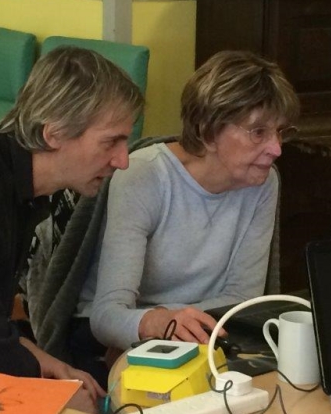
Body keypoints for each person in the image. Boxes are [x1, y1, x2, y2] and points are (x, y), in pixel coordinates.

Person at [0, 46, 144, 414]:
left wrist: (35, 356)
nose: (123, 160)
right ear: (54, 134)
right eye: (111, 141)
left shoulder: (19, 187)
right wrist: (39, 381)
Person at [80, 50, 300, 356]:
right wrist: (158, 322)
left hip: (202, 335)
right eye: (258, 132)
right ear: (208, 131)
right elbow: (107, 316)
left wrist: (181, 322)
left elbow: (242, 301)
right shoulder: (143, 176)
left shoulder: (262, 182)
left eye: (280, 132)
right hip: (122, 338)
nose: (276, 149)